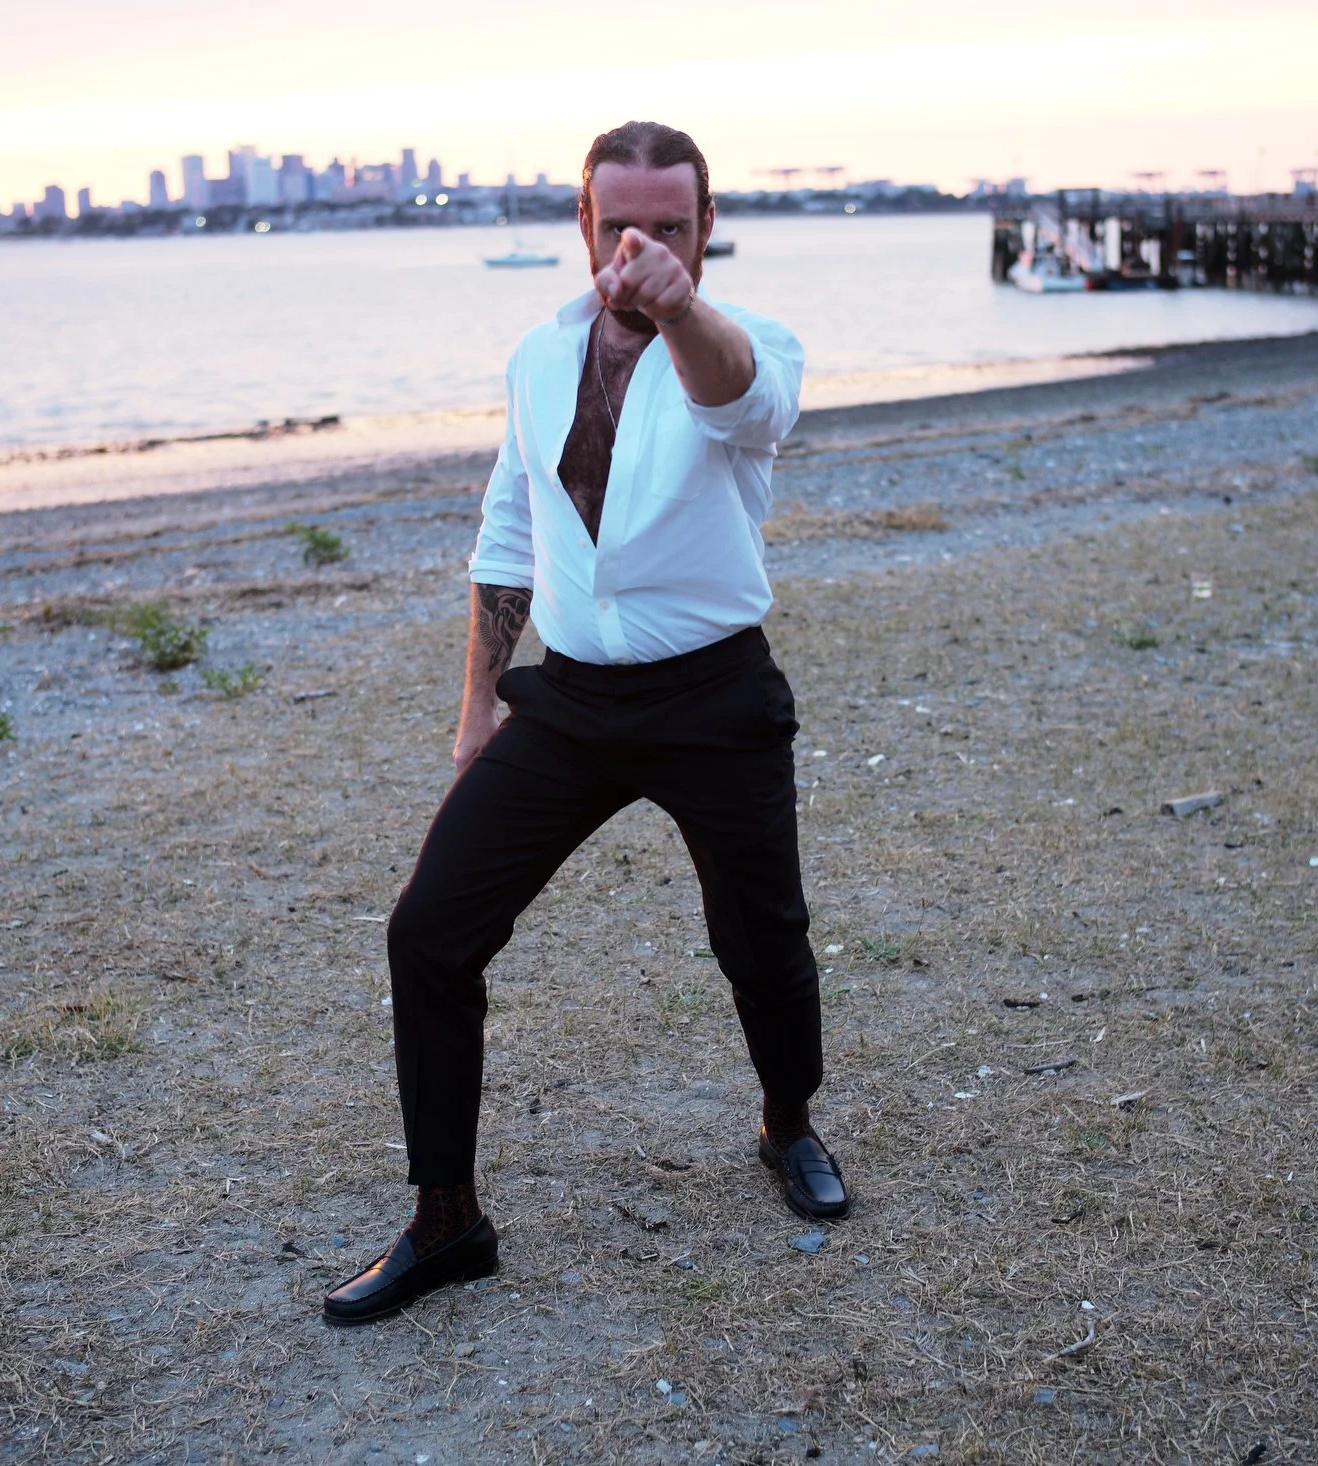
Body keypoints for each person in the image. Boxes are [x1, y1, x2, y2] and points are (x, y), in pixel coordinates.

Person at [323, 120, 848, 1327]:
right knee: (430, 930)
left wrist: (677, 309)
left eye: (673, 227)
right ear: (583, 226)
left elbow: (746, 408)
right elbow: (508, 531)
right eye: (624, 225)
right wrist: (473, 713)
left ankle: (787, 1122)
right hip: (570, 697)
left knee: (761, 935)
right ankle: (446, 1218)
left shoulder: (743, 343)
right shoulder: (535, 354)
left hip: (713, 692)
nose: (644, 248)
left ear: (707, 230)